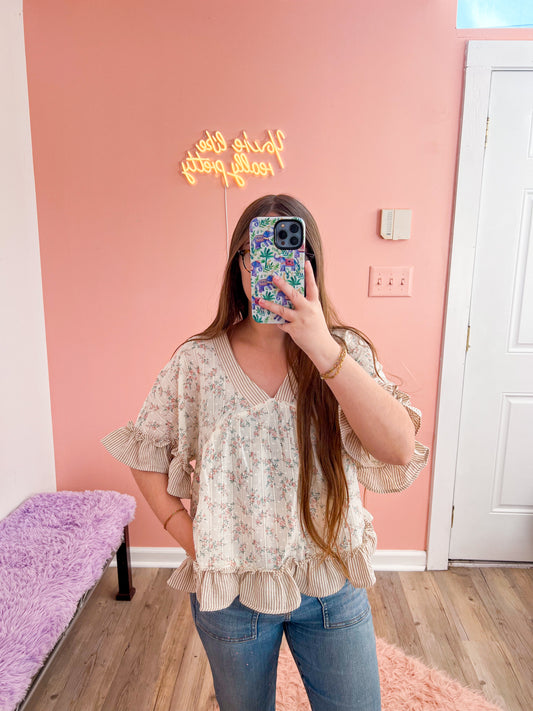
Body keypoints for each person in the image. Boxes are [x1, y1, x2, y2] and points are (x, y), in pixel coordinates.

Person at [102, 194, 429, 711]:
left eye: (287, 252)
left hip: (330, 584)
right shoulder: (198, 362)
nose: (269, 269)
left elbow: (398, 449)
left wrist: (320, 345)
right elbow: (145, 451)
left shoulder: (344, 351)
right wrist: (185, 533)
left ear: (310, 263)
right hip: (232, 596)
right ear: (238, 264)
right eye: (256, 253)